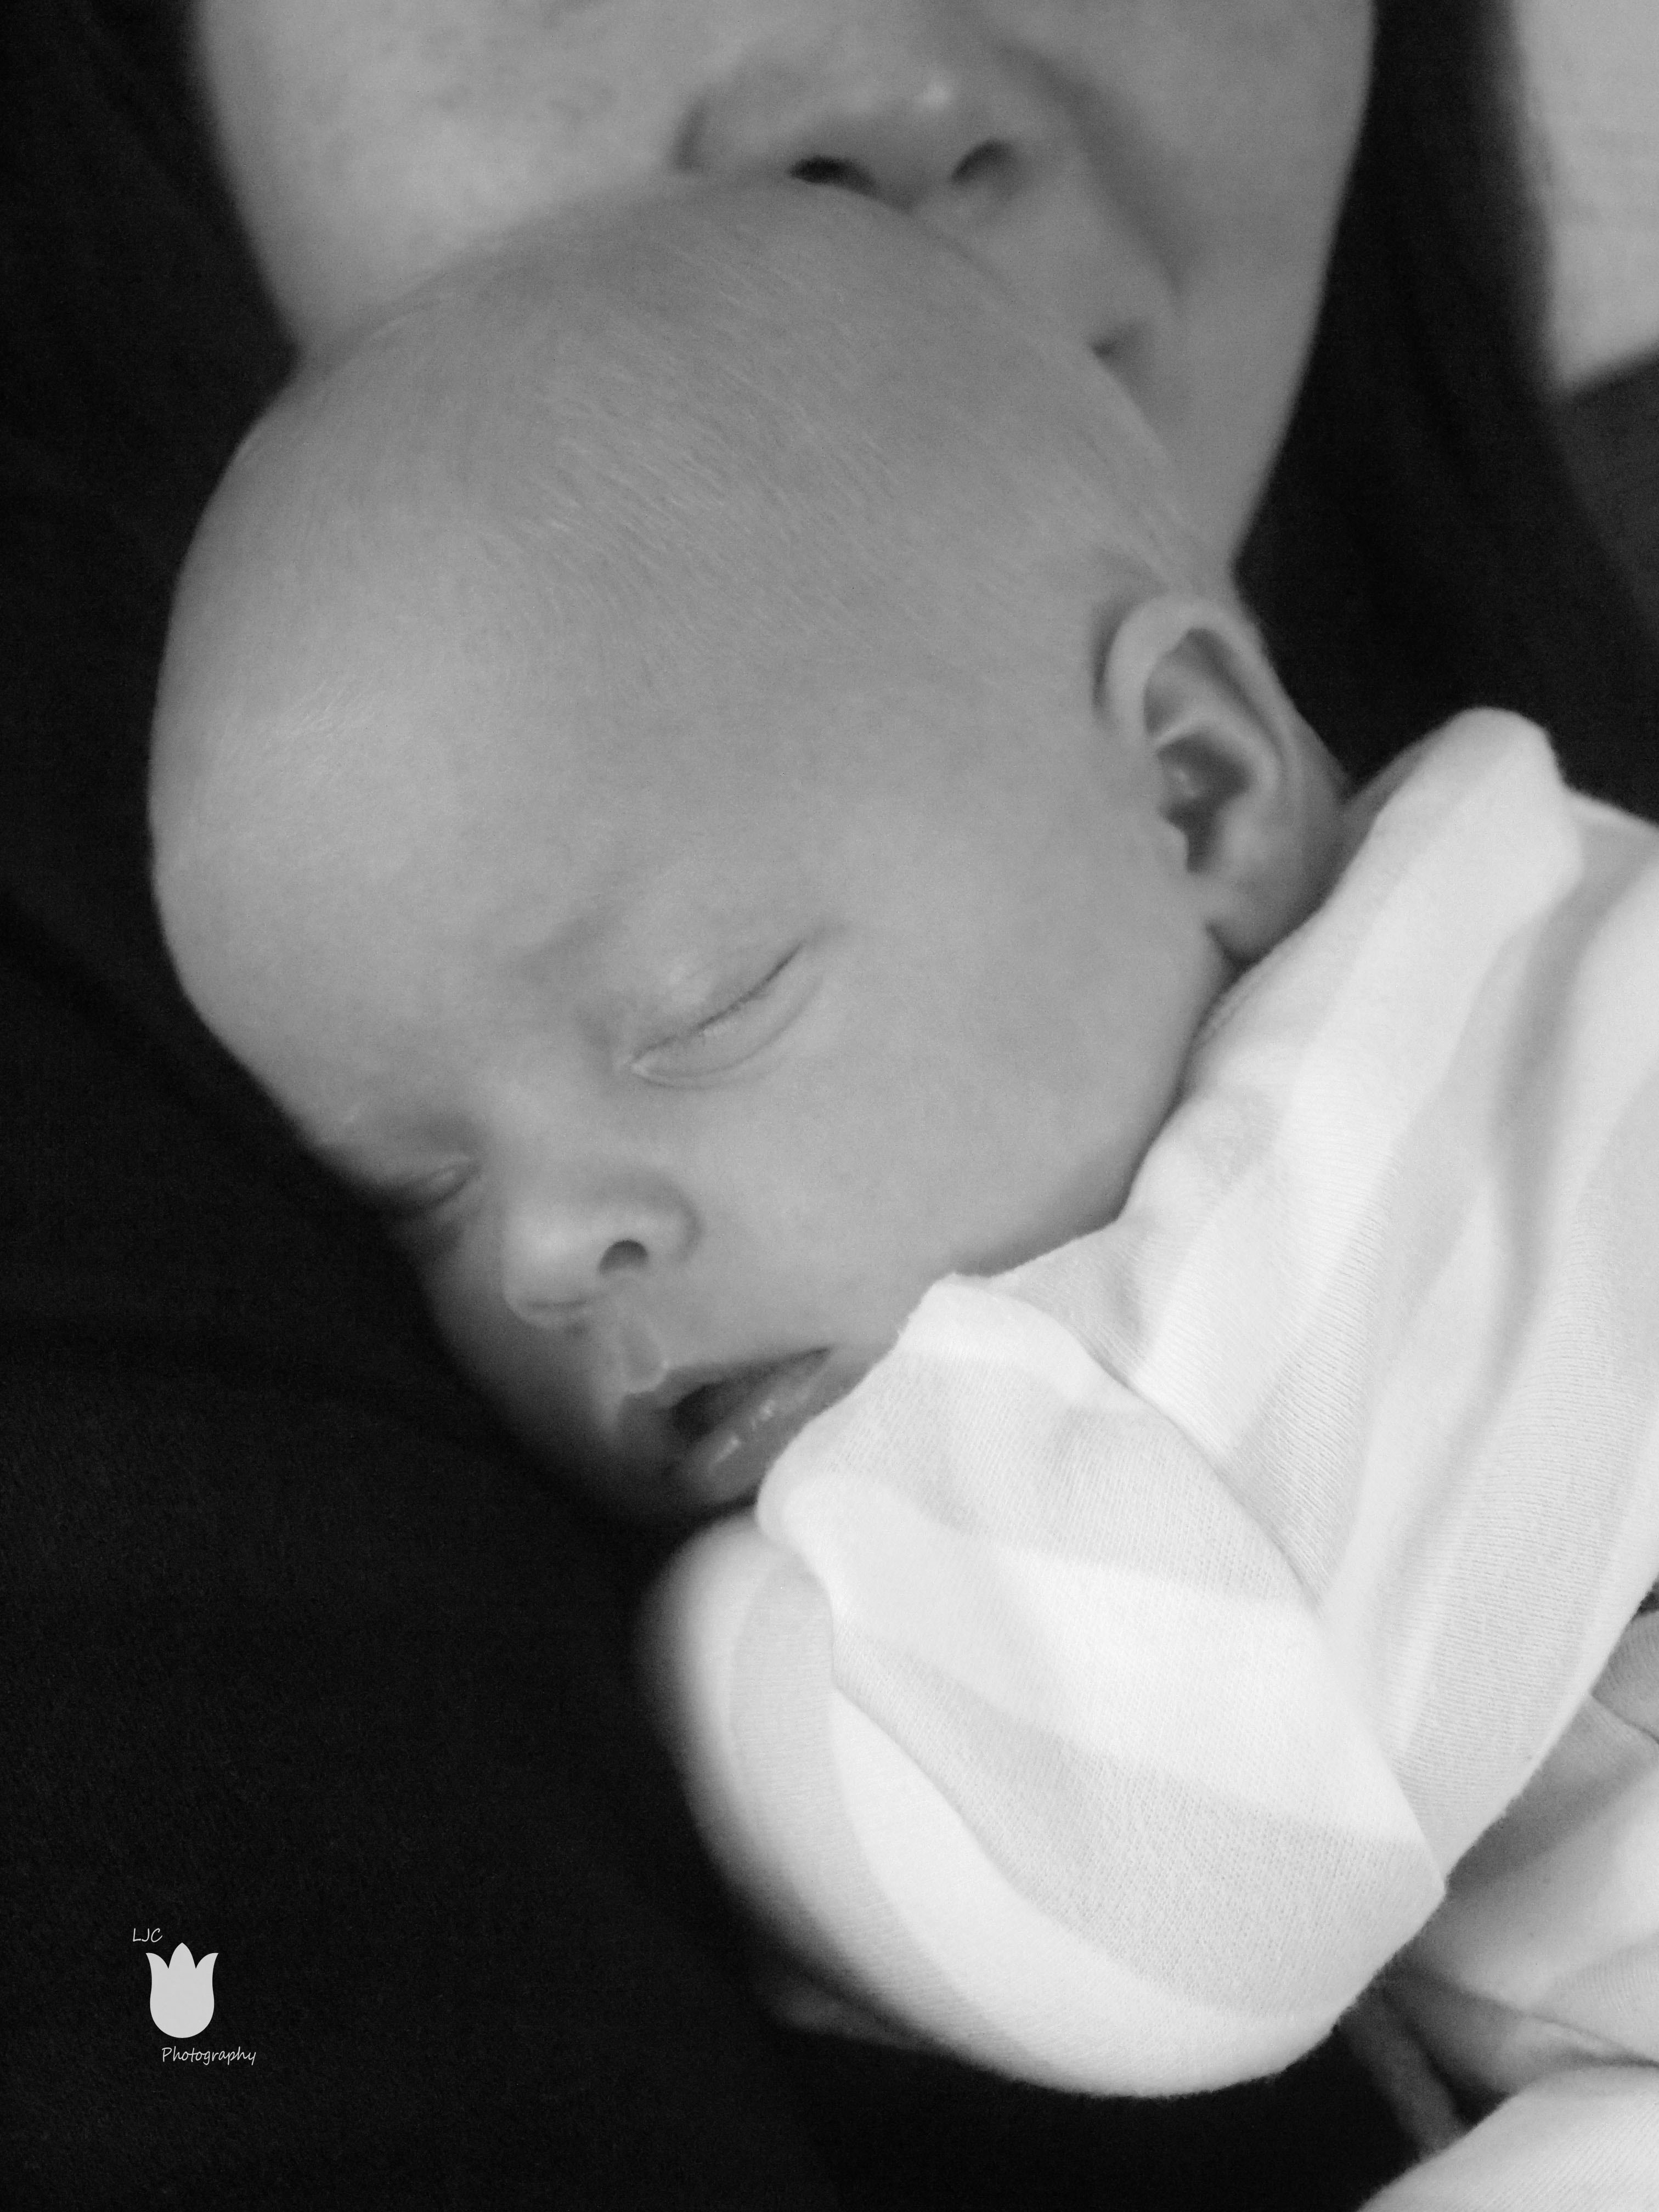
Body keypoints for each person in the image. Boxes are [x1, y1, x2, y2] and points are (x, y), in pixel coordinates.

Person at [6, 0, 1658, 2203]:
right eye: (413, 1196)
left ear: (1195, 782)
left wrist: (722, 1652)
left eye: (705, 1012)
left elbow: (1138, 1889)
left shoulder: (1425, 1140)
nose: (544, 1251)